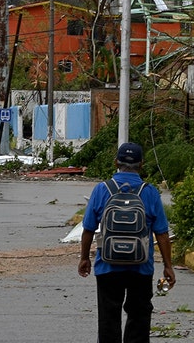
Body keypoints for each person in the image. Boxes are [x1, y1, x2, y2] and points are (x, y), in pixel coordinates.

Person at [78, 142, 176, 342]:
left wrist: (84, 258)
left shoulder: (101, 190)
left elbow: (88, 229)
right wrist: (168, 266)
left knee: (108, 318)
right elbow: (162, 234)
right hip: (140, 267)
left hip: (107, 266)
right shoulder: (149, 193)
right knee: (139, 318)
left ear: (116, 162)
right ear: (141, 164)